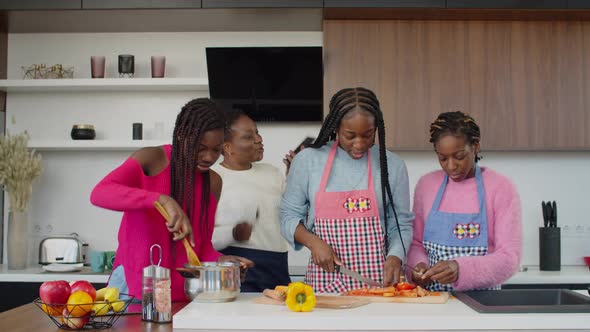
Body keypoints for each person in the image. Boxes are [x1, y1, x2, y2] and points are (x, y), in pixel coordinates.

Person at [90, 98, 253, 302]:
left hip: (178, 294)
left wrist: (221, 261)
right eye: (200, 147)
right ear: (181, 136)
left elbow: (200, 248)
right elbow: (99, 193)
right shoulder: (153, 159)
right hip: (133, 286)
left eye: (216, 149)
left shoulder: (212, 182)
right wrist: (161, 200)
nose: (209, 157)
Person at [280, 87, 414, 293]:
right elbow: (288, 216)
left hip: (378, 286)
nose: (359, 144)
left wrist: (396, 256)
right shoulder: (307, 161)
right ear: (335, 128)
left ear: (376, 128)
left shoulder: (392, 165)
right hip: (325, 285)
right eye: (350, 135)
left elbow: (401, 224)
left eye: (368, 135)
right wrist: (313, 242)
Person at [406, 111, 522, 291]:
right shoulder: (426, 185)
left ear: (475, 147)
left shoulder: (500, 187)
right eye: (442, 158)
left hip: (482, 303)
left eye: (459, 156)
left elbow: (509, 258)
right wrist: (418, 267)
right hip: (433, 304)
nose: (451, 166)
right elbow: (416, 244)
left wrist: (461, 269)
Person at [211, 110, 291, 292]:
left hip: (277, 264)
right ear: (227, 147)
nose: (258, 139)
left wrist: (293, 178)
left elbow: (289, 215)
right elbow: (204, 238)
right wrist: (233, 233)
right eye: (248, 137)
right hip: (240, 265)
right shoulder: (214, 178)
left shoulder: (272, 173)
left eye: (257, 132)